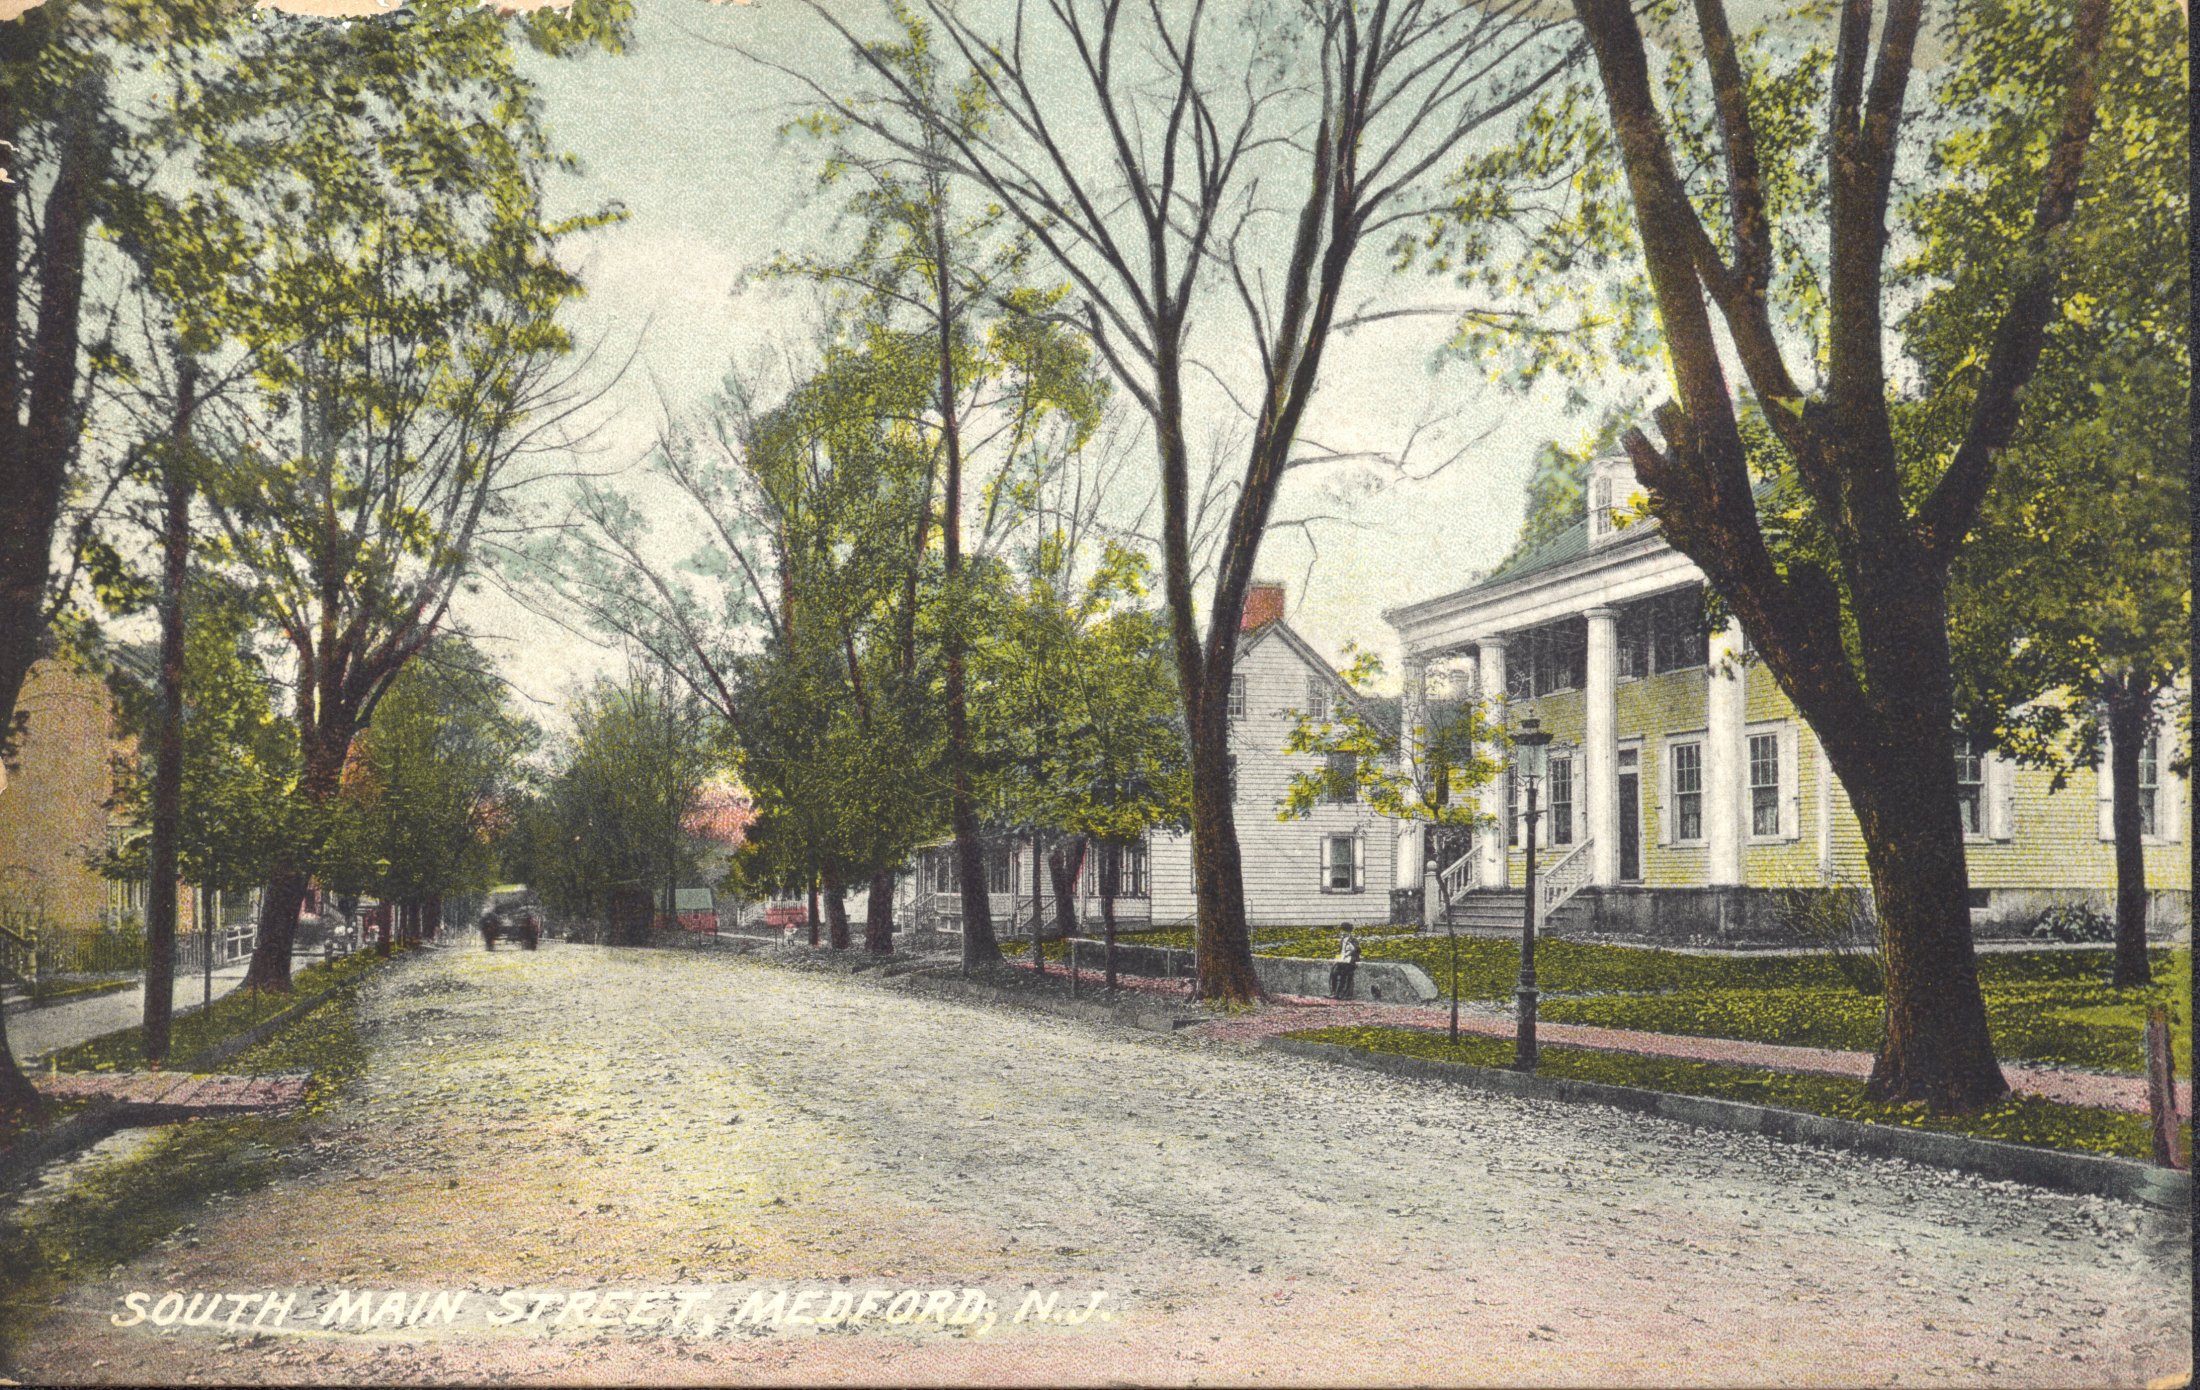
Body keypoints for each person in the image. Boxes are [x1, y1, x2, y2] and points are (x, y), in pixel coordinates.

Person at [1330, 925, 1362, 1000]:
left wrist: (1352, 949)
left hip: (1350, 961)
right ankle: (1333, 992)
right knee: (1334, 973)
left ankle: (1338, 994)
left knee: (1343, 974)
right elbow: (1340, 951)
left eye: (1343, 931)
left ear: (1348, 931)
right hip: (1342, 960)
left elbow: (1358, 950)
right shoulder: (1342, 940)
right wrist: (1336, 959)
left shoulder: (1353, 940)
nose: (1341, 933)